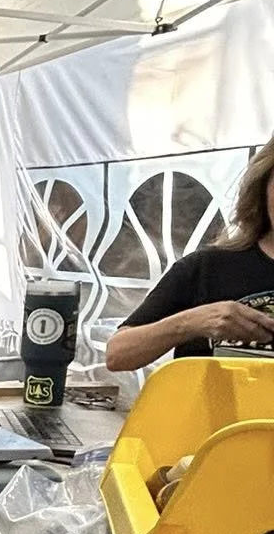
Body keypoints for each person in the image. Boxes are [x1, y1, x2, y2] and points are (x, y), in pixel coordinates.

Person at [105, 132, 274, 370]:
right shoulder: (207, 267)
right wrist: (190, 322)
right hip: (208, 408)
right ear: (262, 186)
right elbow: (118, 354)